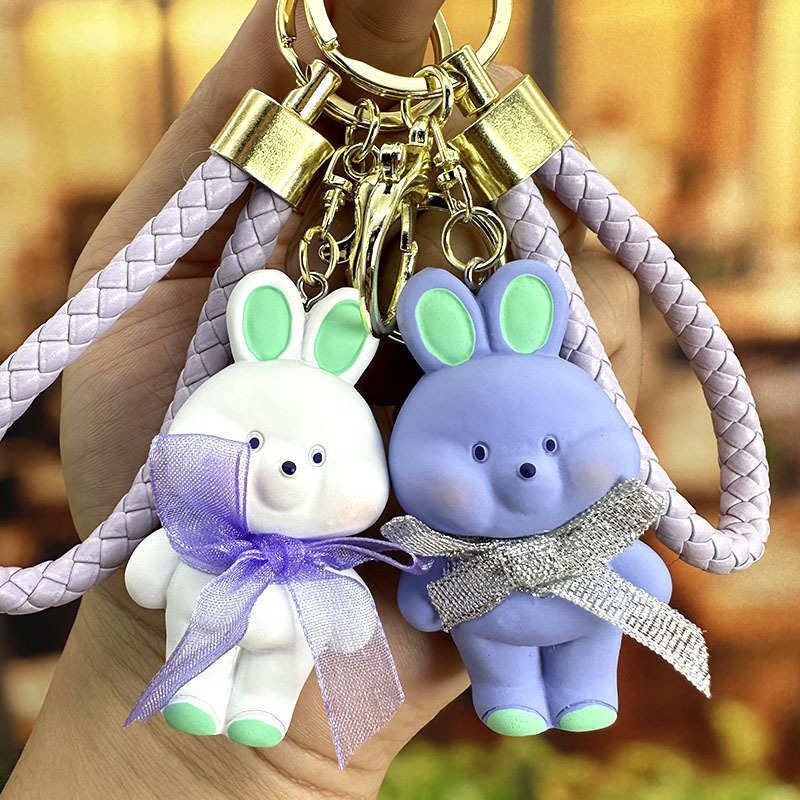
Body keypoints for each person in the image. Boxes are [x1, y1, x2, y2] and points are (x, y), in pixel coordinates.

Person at [2, 0, 642, 797]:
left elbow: (436, 599)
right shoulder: (213, 515)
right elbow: (156, 574)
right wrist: (145, 632)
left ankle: (561, 686)